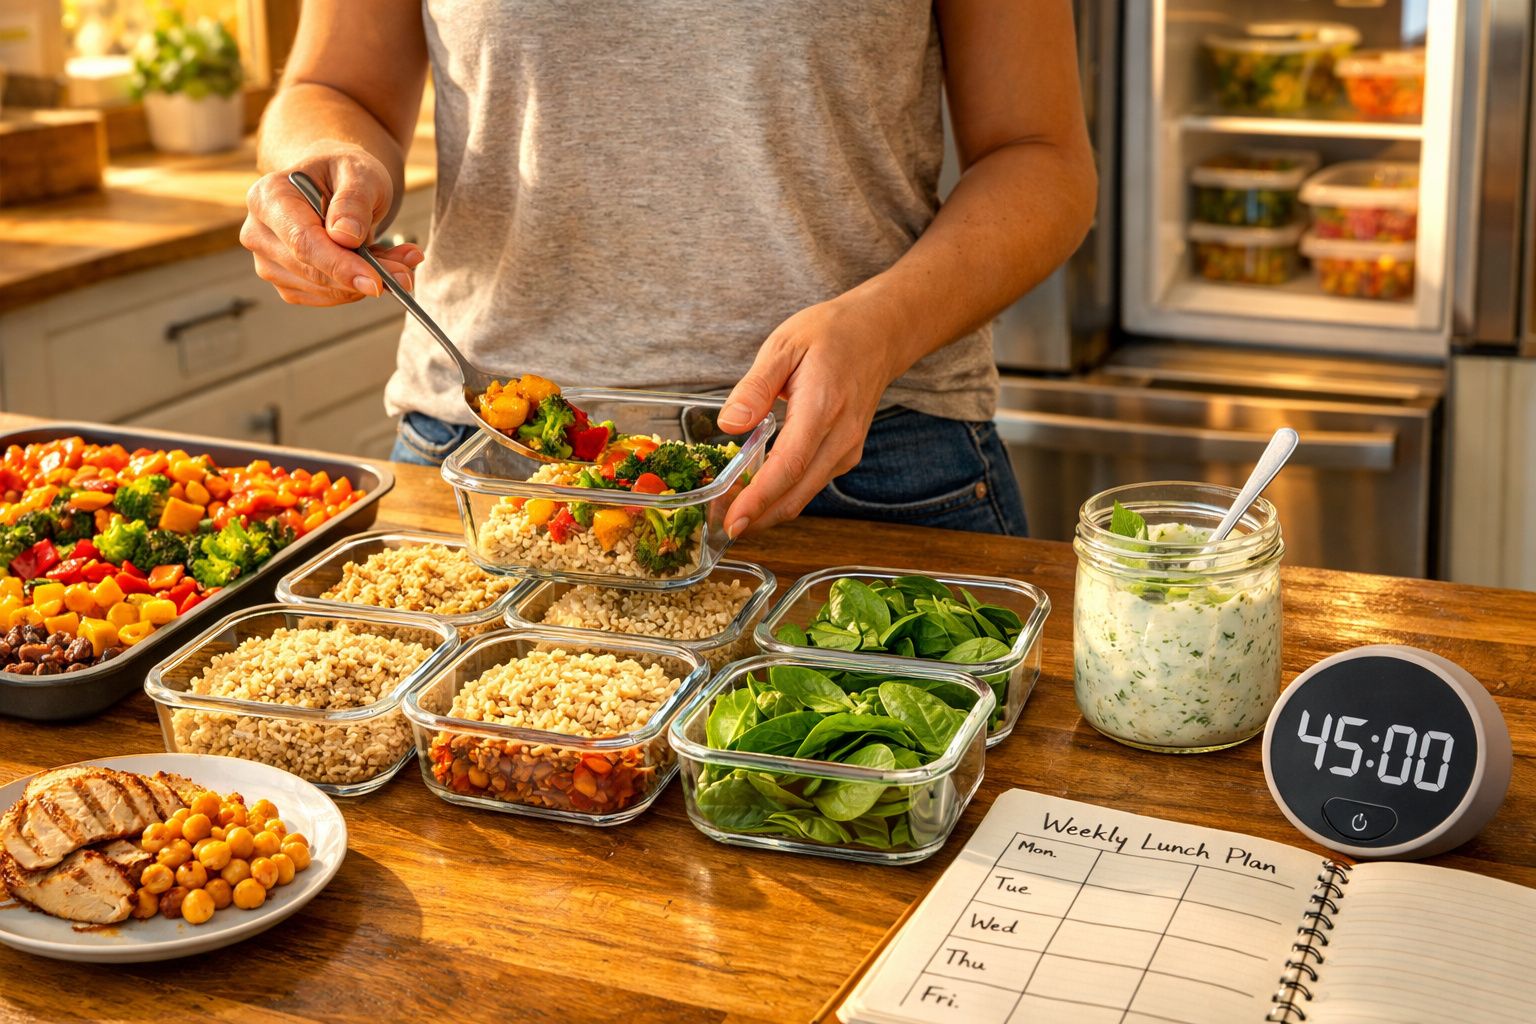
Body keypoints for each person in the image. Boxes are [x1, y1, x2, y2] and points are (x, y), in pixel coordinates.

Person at [240, 1, 1095, 538]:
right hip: (484, 460)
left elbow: (1040, 157)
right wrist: (326, 167)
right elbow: (335, 86)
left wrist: (884, 327)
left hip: (859, 459)